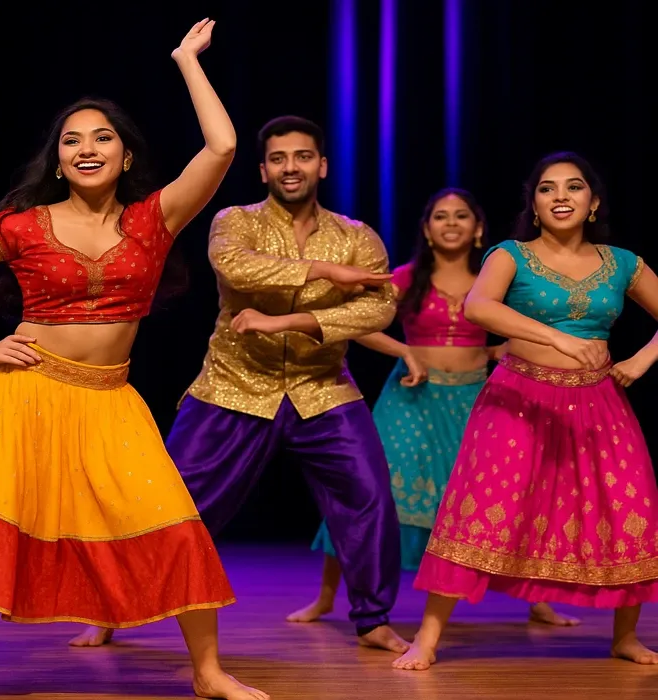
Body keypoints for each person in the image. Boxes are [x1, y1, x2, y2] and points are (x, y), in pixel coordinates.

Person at [0, 19, 267, 700]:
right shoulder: (21, 223)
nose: (86, 148)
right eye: (72, 140)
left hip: (109, 401)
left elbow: (221, 147)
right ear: (59, 159)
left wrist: (187, 61)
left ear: (126, 157)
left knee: (175, 527)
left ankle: (210, 673)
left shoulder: (154, 218)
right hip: (20, 395)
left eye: (103, 137)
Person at [72, 114, 409, 653]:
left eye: (301, 156)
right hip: (234, 385)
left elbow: (379, 307)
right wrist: (323, 271)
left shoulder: (357, 237)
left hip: (323, 388)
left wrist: (291, 322)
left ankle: (373, 619)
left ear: (321, 165)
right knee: (170, 502)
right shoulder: (236, 221)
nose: (290, 167)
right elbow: (237, 268)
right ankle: (113, 607)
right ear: (263, 170)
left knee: (369, 494)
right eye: (278, 158)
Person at [393, 152, 658, 670]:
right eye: (547, 188)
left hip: (598, 402)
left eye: (574, 187)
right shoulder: (509, 254)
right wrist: (557, 338)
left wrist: (644, 359)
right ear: (534, 206)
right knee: (477, 511)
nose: (561, 196)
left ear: (593, 201)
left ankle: (625, 636)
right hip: (518, 399)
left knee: (629, 509)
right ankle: (426, 639)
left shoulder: (624, 262)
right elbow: (479, 306)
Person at [291, 188, 579, 628]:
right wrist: (403, 351)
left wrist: (502, 351)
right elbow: (355, 323)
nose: (450, 223)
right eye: (440, 216)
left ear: (478, 228)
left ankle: (536, 600)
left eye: (461, 216)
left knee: (497, 500)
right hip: (409, 399)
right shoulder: (406, 278)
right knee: (366, 492)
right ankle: (328, 596)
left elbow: (534, 326)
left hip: (477, 401)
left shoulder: (497, 279)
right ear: (427, 230)